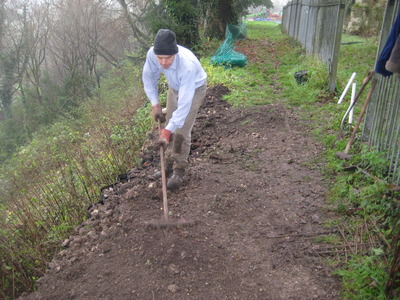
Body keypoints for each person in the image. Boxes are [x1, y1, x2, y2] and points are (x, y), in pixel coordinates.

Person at [142, 29, 207, 190]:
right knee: (170, 127)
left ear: (175, 54)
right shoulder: (152, 54)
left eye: (168, 58)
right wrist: (155, 103)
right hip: (174, 88)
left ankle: (179, 169)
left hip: (194, 88)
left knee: (180, 131)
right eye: (160, 58)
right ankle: (168, 163)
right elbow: (149, 77)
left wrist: (168, 130)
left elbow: (184, 105)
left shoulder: (187, 66)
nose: (163, 62)